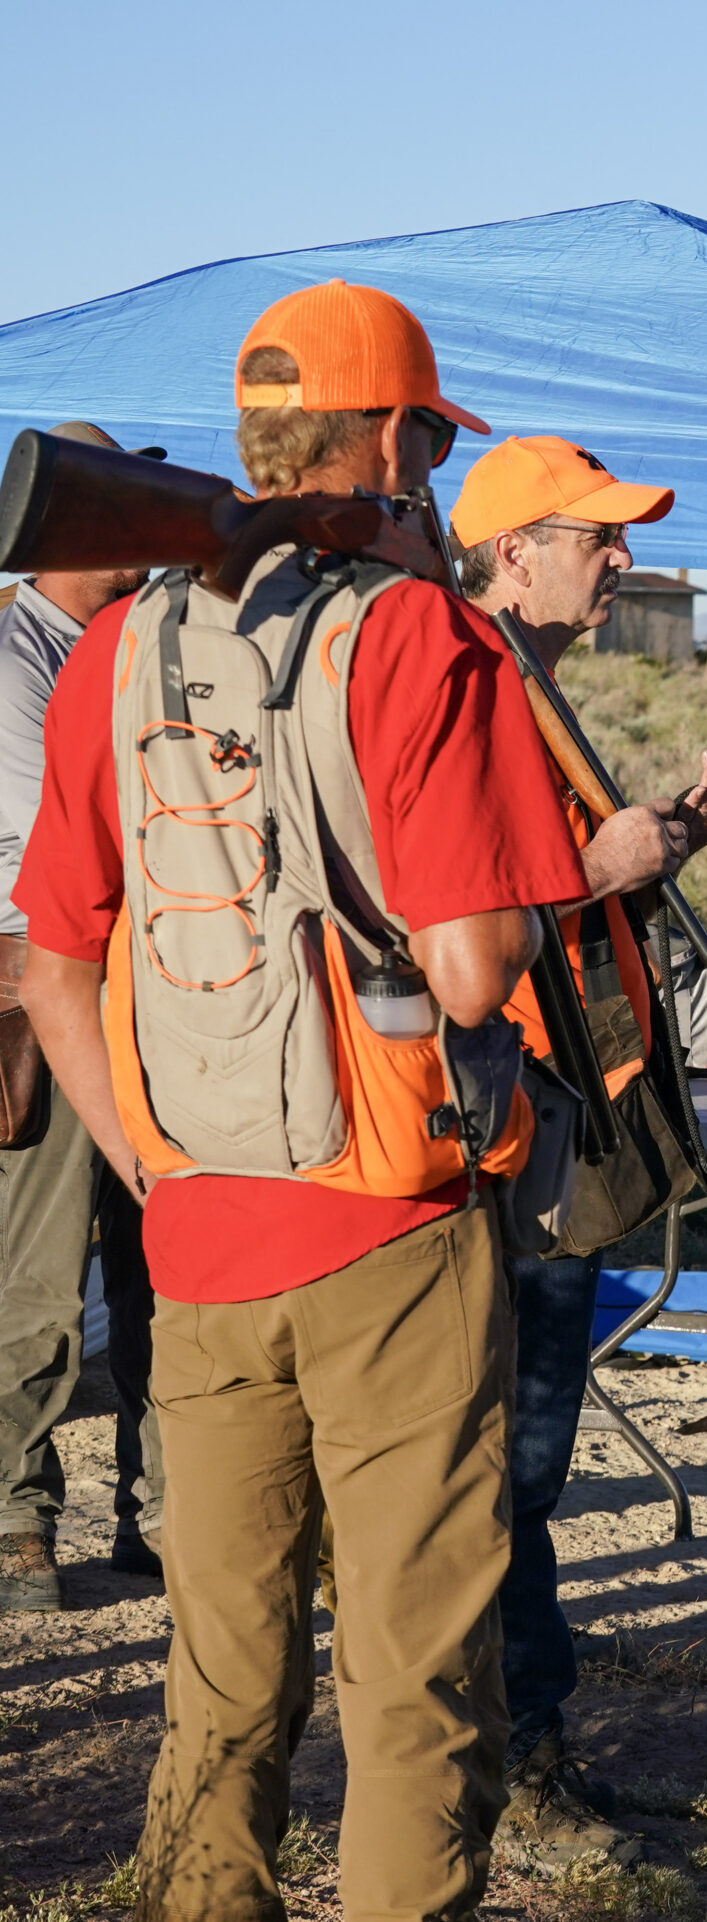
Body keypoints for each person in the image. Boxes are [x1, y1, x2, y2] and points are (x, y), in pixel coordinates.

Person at [14, 281, 589, 1921]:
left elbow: (55, 965)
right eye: (425, 441)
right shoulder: (421, 633)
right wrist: (581, 888)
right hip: (392, 1219)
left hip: (194, 1228)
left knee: (223, 1664)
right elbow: (473, 972)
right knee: (414, 1673)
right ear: (394, 437)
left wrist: (151, 1165)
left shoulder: (115, 645)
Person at [449, 433, 707, 1871]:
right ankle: (502, 1774)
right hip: (500, 1141)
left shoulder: (533, 691)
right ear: (517, 549)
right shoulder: (464, 687)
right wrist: (599, 867)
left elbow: (546, 894)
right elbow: (443, 907)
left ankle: (533, 1750)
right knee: (504, 1467)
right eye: (598, 534)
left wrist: (656, 848)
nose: (623, 557)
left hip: (557, 1127)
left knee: (533, 1463)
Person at [0, 423, 165, 1610]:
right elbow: (73, 836)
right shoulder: (12, 655)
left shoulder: (137, 643)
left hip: (150, 981)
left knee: (169, 1259)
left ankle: (160, 1509)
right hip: (41, 979)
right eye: (119, 513)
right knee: (44, 1271)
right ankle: (17, 1507)